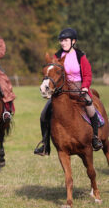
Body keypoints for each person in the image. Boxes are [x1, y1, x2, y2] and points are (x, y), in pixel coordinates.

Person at [34, 28, 103, 156]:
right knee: (44, 114)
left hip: (78, 87)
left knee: (90, 107)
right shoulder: (57, 56)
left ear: (73, 41)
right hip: (61, 89)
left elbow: (87, 74)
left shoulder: (80, 56)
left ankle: (95, 138)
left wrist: (85, 87)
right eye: (61, 40)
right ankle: (45, 145)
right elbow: (52, 73)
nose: (62, 43)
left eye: (65, 40)